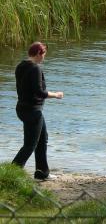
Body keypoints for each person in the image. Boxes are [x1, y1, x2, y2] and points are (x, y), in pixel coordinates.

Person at [12, 41, 64, 180]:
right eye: (44, 54)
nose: (44, 58)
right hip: (33, 111)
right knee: (30, 145)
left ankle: (42, 173)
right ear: (39, 53)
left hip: (22, 108)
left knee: (42, 139)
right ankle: (12, 173)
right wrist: (56, 95)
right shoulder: (35, 68)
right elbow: (40, 92)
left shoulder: (20, 66)